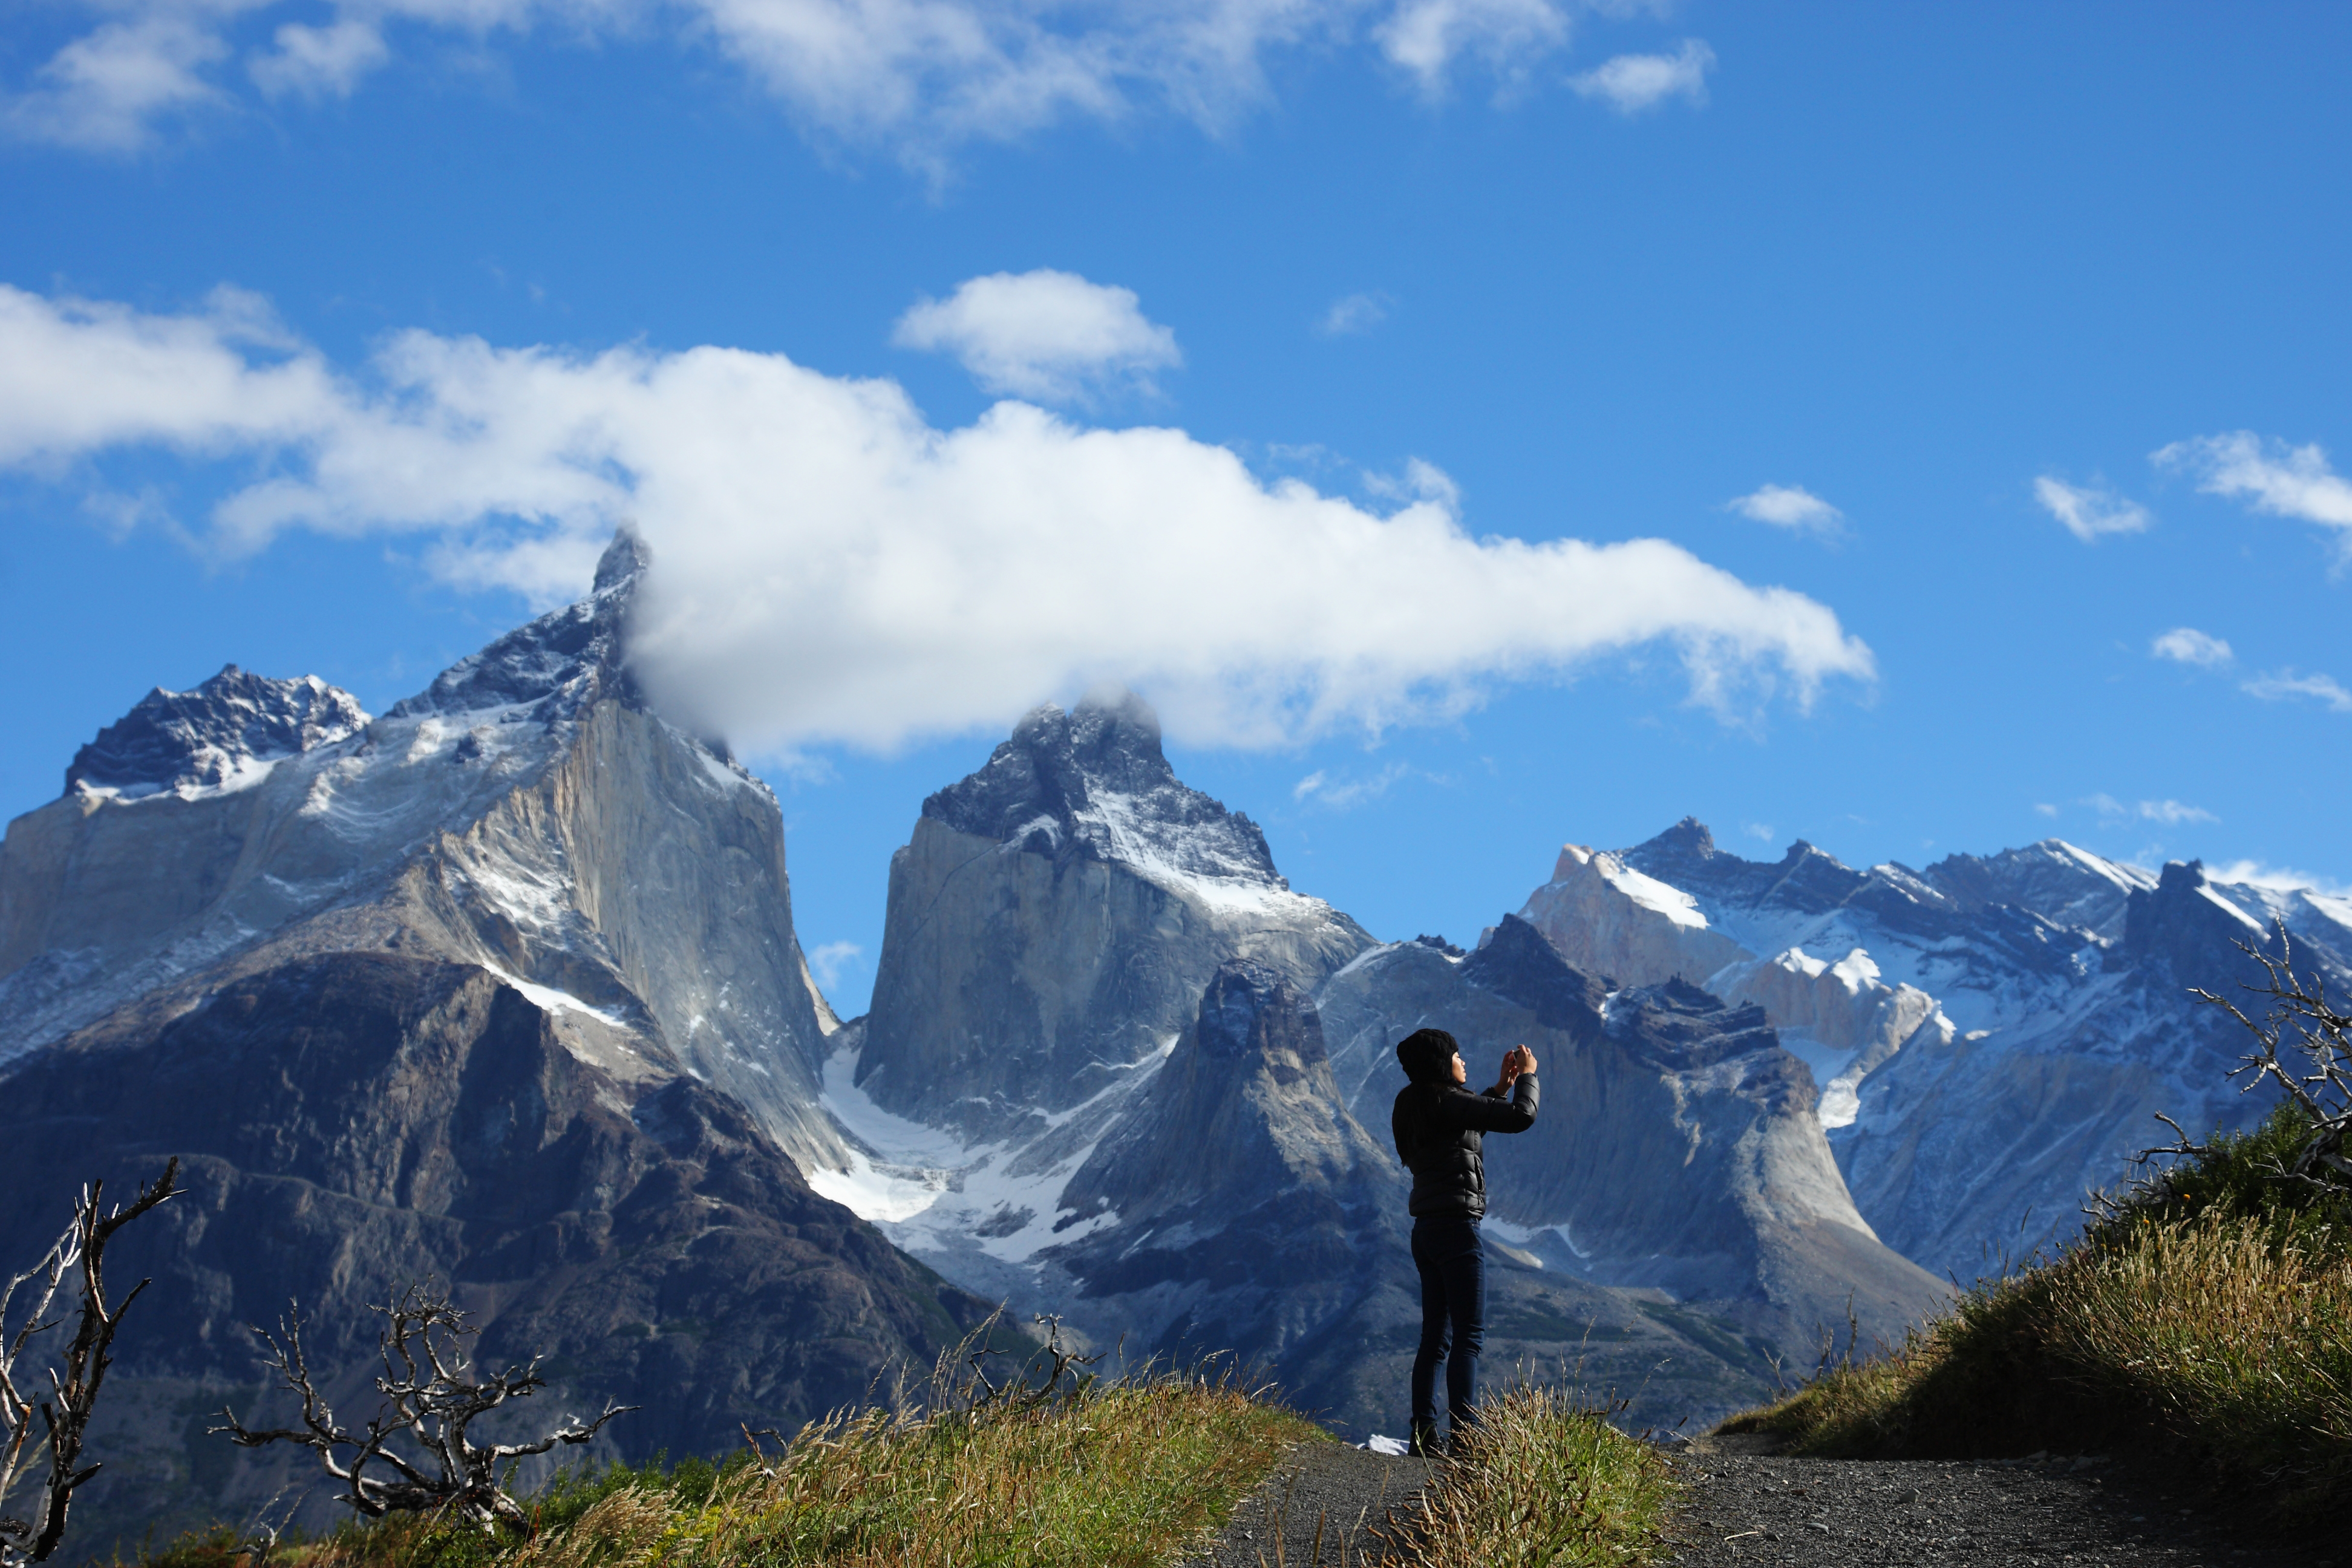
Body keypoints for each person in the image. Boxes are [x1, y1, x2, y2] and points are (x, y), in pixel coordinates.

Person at [1390, 1028, 1538, 1458]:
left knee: (1434, 1336)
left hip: (1427, 1232)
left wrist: (1499, 1089)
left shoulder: (1413, 1103)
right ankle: (1466, 1436)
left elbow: (1464, 1131)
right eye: (1458, 1055)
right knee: (1468, 1336)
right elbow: (1520, 1118)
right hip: (1457, 1230)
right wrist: (1528, 1078)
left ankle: (1423, 1433)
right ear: (1443, 1063)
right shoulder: (1445, 1100)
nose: (1464, 1062)